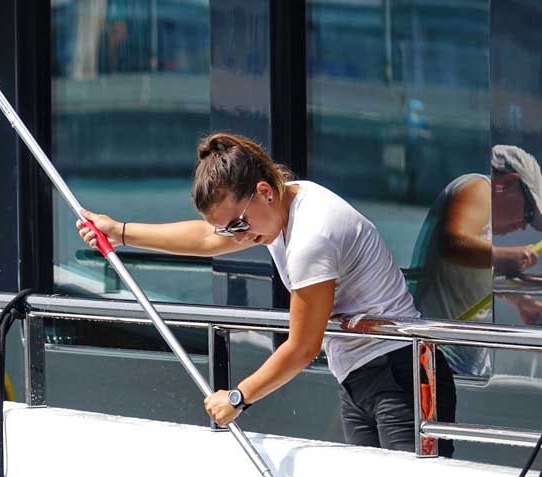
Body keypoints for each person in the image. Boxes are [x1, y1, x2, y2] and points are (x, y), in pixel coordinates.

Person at [78, 132, 456, 455]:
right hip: (357, 378)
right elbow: (206, 238)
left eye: (240, 224)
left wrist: (238, 398)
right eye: (230, 230)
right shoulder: (283, 204)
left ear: (263, 191)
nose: (239, 238)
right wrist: (121, 231)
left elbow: (303, 347)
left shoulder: (312, 235)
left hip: (403, 376)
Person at [411, 145, 542, 375]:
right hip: (437, 360)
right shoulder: (480, 188)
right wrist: (501, 257)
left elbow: (470, 274)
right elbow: (451, 242)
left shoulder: (485, 218)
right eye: (529, 212)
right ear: (509, 183)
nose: (523, 224)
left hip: (460, 364)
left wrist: (521, 301)